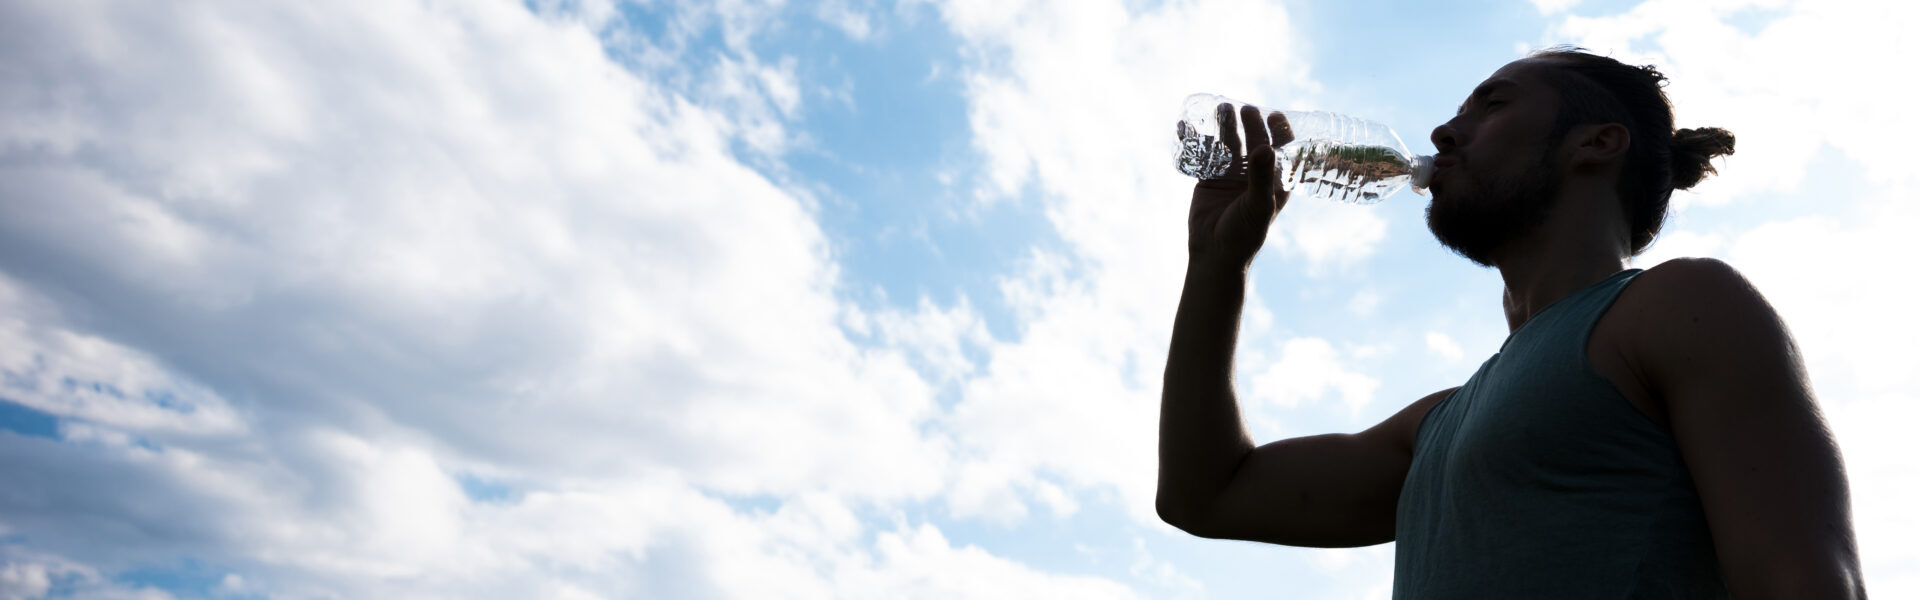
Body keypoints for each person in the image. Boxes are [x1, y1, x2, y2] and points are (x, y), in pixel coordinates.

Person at [1156, 46, 1866, 599]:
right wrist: (1215, 264)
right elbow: (1205, 495)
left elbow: (1804, 586)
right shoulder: (1436, 424)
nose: (1442, 131)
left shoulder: (1682, 306)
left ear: (1596, 143)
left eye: (1491, 104)